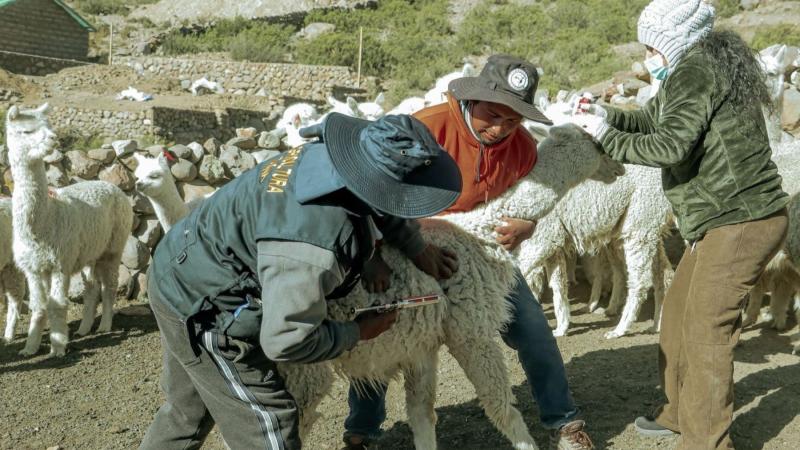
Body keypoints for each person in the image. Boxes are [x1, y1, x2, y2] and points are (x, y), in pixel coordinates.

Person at [139, 113, 463, 450]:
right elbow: (285, 339)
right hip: (208, 309)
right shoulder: (310, 247)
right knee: (270, 426)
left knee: (186, 415)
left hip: (179, 265)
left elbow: (377, 197)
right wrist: (357, 332)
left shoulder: (327, 157)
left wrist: (414, 245)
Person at [343, 55, 595, 450]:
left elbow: (524, 201)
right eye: (492, 115)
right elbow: (373, 190)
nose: (500, 128)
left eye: (512, 120)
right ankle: (363, 430)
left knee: (532, 328)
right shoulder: (426, 128)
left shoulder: (523, 148)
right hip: (407, 248)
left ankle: (563, 421)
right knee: (386, 330)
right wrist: (374, 254)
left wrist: (529, 225)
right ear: (472, 100)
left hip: (479, 256)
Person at [576, 1, 789, 449]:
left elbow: (668, 146)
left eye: (652, 47)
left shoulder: (697, 70)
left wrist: (605, 137)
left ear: (674, 41)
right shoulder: (694, 69)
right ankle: (680, 413)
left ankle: (706, 441)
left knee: (707, 329)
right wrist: (604, 114)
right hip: (720, 220)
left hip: (741, 219)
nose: (647, 57)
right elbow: (652, 120)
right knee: (676, 317)